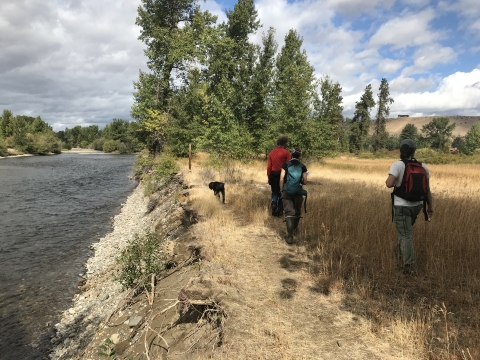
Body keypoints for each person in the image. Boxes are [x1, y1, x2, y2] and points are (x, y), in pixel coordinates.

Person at [385, 139, 434, 275]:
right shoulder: (423, 166)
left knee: (405, 234)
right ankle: (398, 254)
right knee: (404, 231)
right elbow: (428, 189)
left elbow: (389, 184)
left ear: (401, 150)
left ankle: (409, 267)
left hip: (402, 205)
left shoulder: (397, 165)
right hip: (417, 206)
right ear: (414, 151)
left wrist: (389, 178)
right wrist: (430, 206)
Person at [279, 147, 307, 244]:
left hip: (287, 191)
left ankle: (290, 236)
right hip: (298, 191)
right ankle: (294, 230)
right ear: (300, 155)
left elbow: (281, 179)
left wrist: (281, 189)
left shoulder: (286, 164)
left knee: (289, 212)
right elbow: (305, 181)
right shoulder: (302, 166)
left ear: (291, 154)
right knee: (297, 212)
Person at [267, 136, 291, 216]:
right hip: (282, 175)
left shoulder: (272, 152)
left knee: (274, 191)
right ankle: (279, 211)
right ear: (285, 143)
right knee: (282, 193)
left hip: (273, 174)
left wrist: (269, 176)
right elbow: (288, 166)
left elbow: (269, 166)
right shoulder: (287, 153)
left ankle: (274, 203)